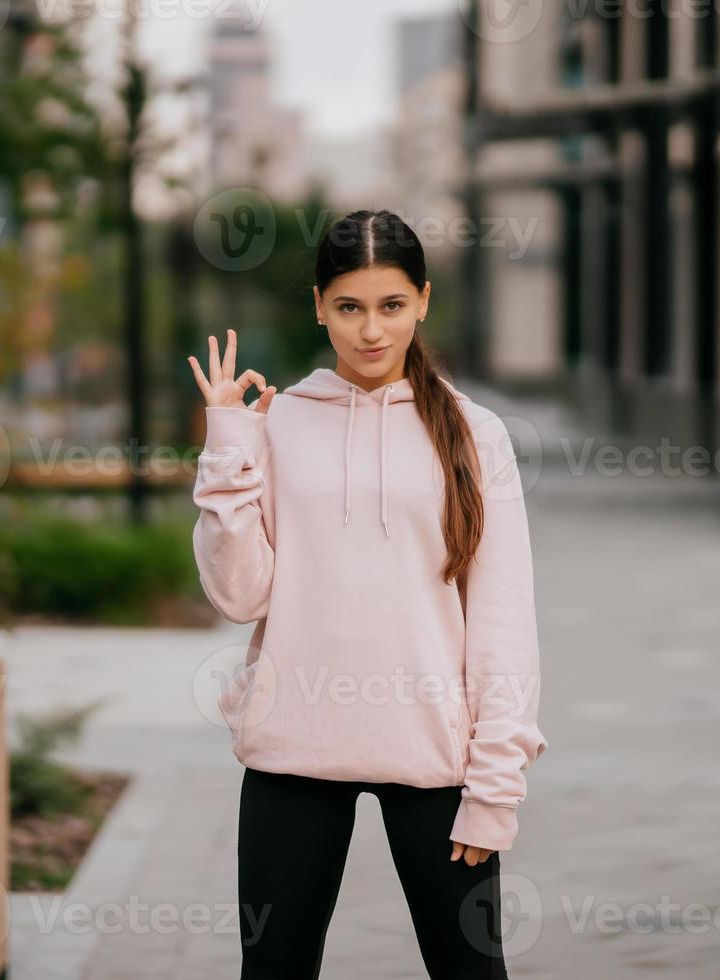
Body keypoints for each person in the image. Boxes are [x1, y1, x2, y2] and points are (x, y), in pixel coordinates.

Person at [186, 209, 547, 979]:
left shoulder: (474, 433)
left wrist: (495, 788)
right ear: (319, 305)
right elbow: (238, 596)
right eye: (349, 308)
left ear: (422, 300)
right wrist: (227, 446)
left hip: (436, 761)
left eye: (390, 306)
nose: (371, 331)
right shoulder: (277, 424)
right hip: (294, 746)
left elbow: (503, 620)